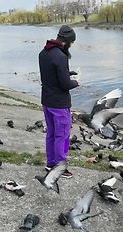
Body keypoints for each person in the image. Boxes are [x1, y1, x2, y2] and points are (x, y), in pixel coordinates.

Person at [38, 25, 80, 178]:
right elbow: (65, 84)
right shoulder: (61, 56)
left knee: (51, 133)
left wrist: (67, 73)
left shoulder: (44, 53)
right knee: (61, 135)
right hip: (59, 104)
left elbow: (50, 74)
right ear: (67, 41)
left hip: (47, 101)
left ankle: (51, 164)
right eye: (72, 42)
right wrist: (76, 82)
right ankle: (60, 168)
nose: (72, 45)